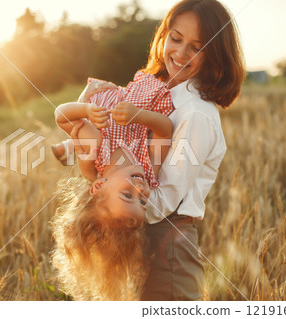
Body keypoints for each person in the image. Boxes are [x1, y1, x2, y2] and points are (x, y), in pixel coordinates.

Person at [54, 0, 245, 301]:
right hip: (138, 236)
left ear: (215, 54)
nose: (180, 53)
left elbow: (163, 199)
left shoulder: (195, 114)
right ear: (164, 35)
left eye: (196, 47)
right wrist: (93, 112)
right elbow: (124, 140)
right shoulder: (159, 91)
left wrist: (109, 190)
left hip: (167, 241)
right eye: (176, 38)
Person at [51, 69, 174, 301]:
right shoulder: (148, 169)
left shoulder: (95, 154)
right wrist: (139, 115)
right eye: (142, 201)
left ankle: (65, 148)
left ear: (99, 187)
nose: (140, 189)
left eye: (127, 195)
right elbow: (165, 129)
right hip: (144, 96)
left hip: (105, 95)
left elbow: (61, 115)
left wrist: (86, 110)